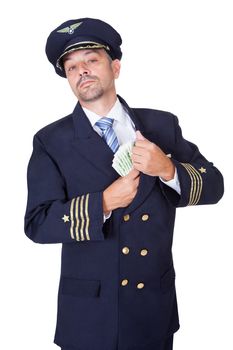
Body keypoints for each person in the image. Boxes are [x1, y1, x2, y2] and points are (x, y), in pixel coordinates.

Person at [24, 17, 224, 350]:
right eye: (72, 67)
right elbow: (37, 223)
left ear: (115, 67)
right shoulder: (50, 141)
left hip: (152, 310)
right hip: (90, 315)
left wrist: (168, 168)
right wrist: (102, 203)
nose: (82, 71)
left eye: (91, 60)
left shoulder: (162, 125)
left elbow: (214, 186)